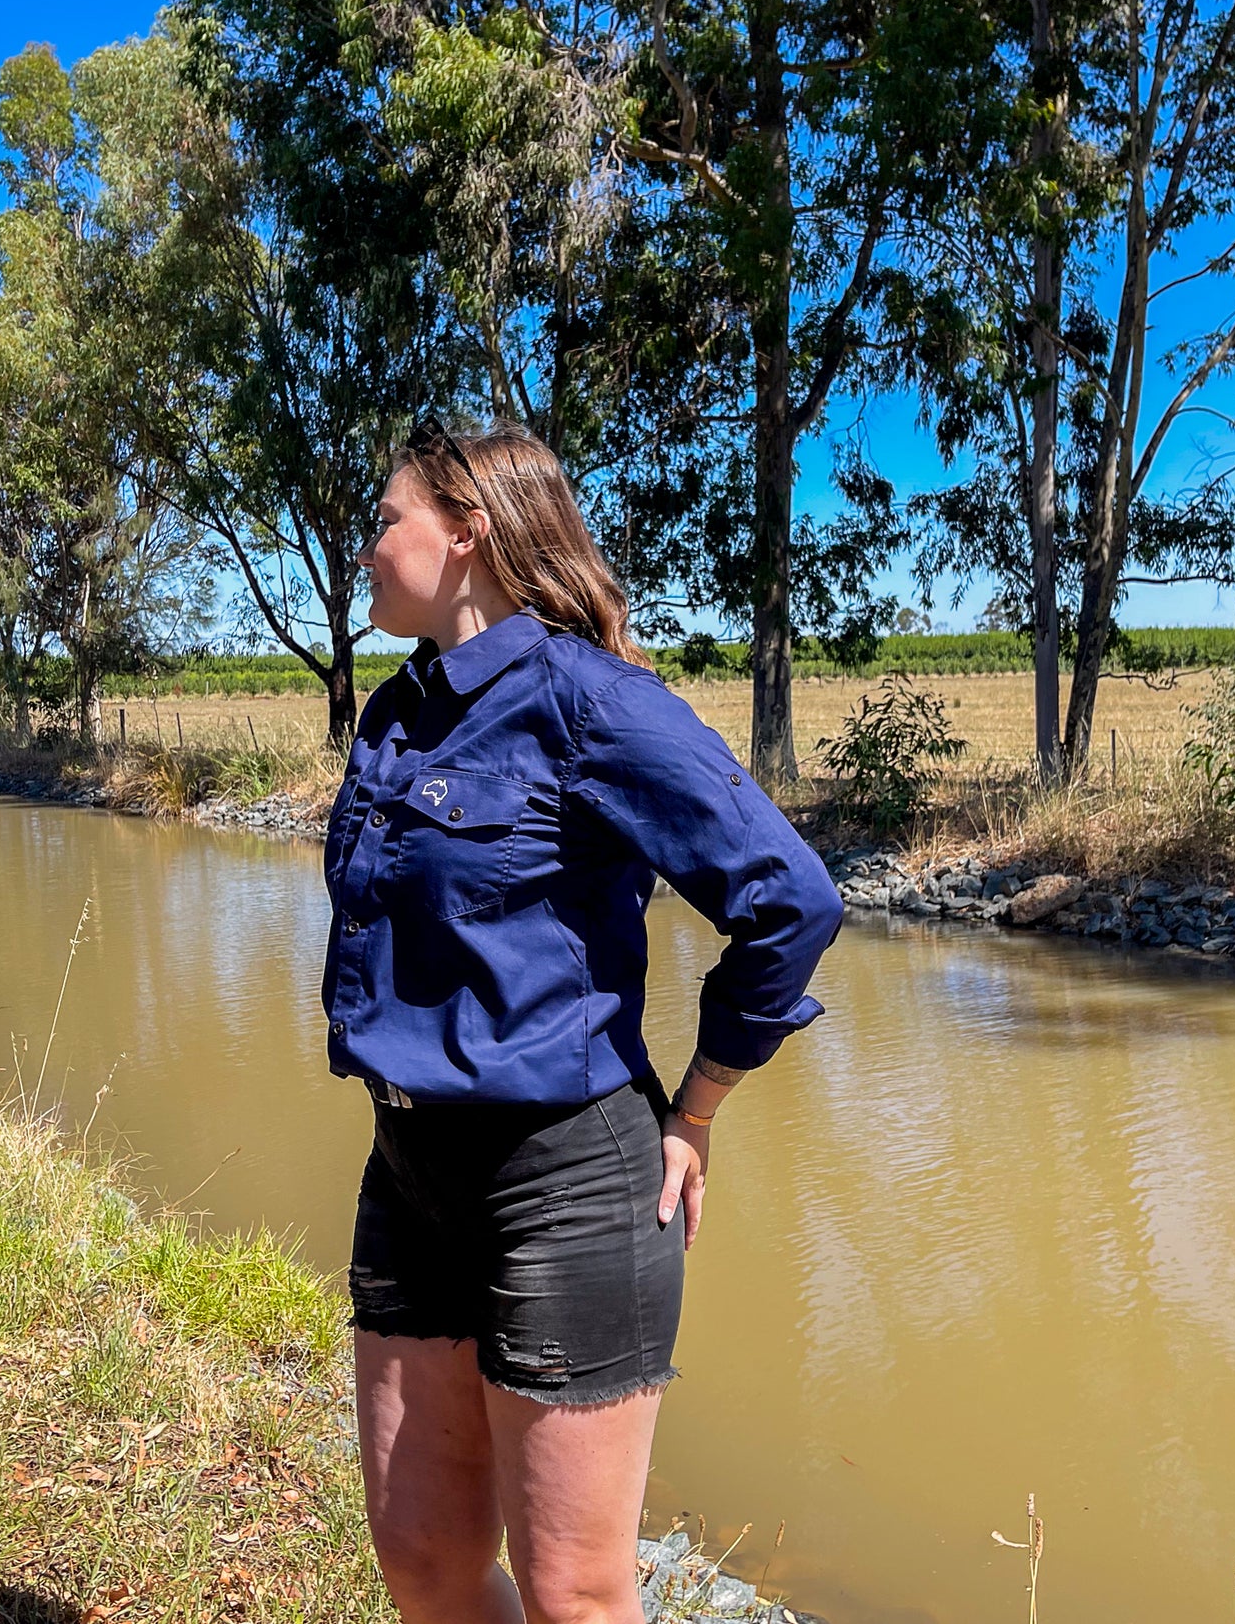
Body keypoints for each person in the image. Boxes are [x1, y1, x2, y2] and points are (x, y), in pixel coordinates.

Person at [323, 421, 844, 1624]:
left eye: (382, 521)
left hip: (563, 1182)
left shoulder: (587, 703)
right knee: (421, 1558)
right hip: (407, 1174)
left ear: (467, 531)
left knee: (574, 1593)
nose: (365, 549)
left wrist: (699, 1103)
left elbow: (789, 898)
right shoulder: (395, 716)